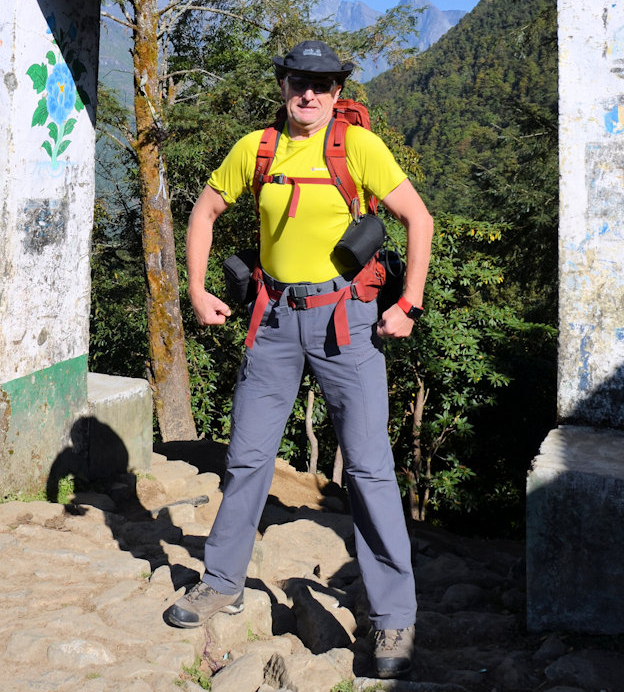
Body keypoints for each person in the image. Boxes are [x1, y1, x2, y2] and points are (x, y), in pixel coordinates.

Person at [168, 39, 435, 680]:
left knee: (369, 467)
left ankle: (392, 618)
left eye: (321, 84)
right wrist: (197, 288)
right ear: (283, 85)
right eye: (297, 82)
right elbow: (204, 210)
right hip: (274, 317)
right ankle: (223, 581)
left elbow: (417, 218)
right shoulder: (256, 148)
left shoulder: (357, 147)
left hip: (348, 320)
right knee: (248, 455)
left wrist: (411, 304)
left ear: (337, 92)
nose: (308, 94)